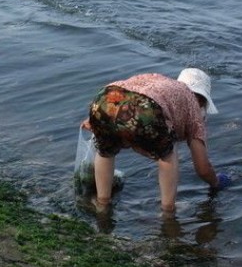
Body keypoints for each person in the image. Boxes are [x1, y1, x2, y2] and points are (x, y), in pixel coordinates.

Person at [82, 67, 231, 213]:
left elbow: (126, 99)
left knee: (106, 150)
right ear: (202, 102)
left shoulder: (162, 82)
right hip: (144, 108)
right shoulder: (193, 107)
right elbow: (203, 167)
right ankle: (168, 211)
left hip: (105, 97)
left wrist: (95, 120)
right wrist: (216, 182)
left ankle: (102, 203)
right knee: (168, 156)